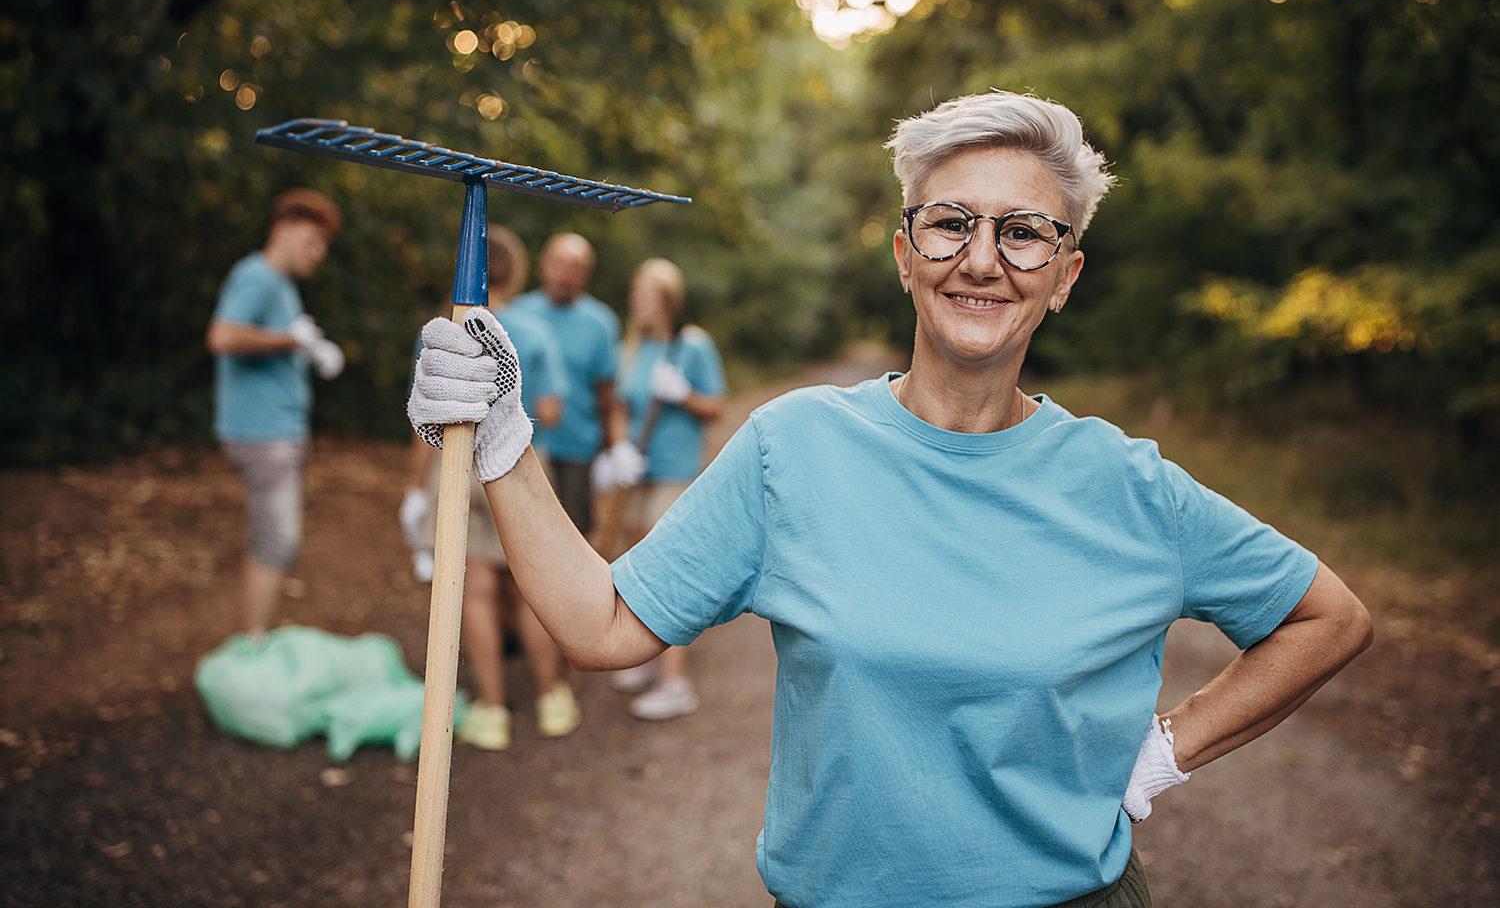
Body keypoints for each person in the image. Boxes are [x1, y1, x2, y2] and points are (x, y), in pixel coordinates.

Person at [406, 91, 1374, 908]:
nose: (983, 259)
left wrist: (1168, 747)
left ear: (1065, 276)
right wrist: (505, 444)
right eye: (951, 222)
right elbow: (605, 624)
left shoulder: (1128, 484)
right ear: (905, 252)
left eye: (1024, 232)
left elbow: (1328, 617)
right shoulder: (795, 446)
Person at [402, 226, 578, 749]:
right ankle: (552, 699)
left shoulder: (442, 328)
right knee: (529, 587)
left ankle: (494, 710)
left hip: (455, 468)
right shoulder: (535, 329)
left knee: (473, 591)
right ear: (514, 272)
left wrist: (415, 491)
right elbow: (549, 411)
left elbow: (424, 421)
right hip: (516, 465)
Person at [206, 188, 346, 639]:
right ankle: (254, 647)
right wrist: (292, 341)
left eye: (323, 244)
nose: (318, 253)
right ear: (282, 231)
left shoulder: (281, 285)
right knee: (277, 541)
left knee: (274, 539)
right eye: (311, 240)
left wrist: (307, 351)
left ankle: (255, 637)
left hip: (276, 429)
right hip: (263, 434)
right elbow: (223, 337)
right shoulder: (260, 277)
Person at [605, 259, 726, 720]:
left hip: (676, 470)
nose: (639, 299)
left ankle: (676, 681)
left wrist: (684, 395)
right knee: (634, 565)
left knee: (666, 573)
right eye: (636, 291)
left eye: (648, 292)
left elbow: (715, 406)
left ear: (669, 300)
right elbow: (618, 405)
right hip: (638, 470)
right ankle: (647, 658)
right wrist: (618, 449)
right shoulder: (630, 349)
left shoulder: (692, 347)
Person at [510, 233, 642, 541]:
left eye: (575, 267)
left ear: (586, 274)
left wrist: (610, 450)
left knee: (570, 537)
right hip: (521, 444)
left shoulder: (600, 323)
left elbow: (606, 394)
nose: (565, 274)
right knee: (522, 535)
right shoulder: (518, 314)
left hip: (577, 450)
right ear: (543, 265)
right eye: (558, 263)